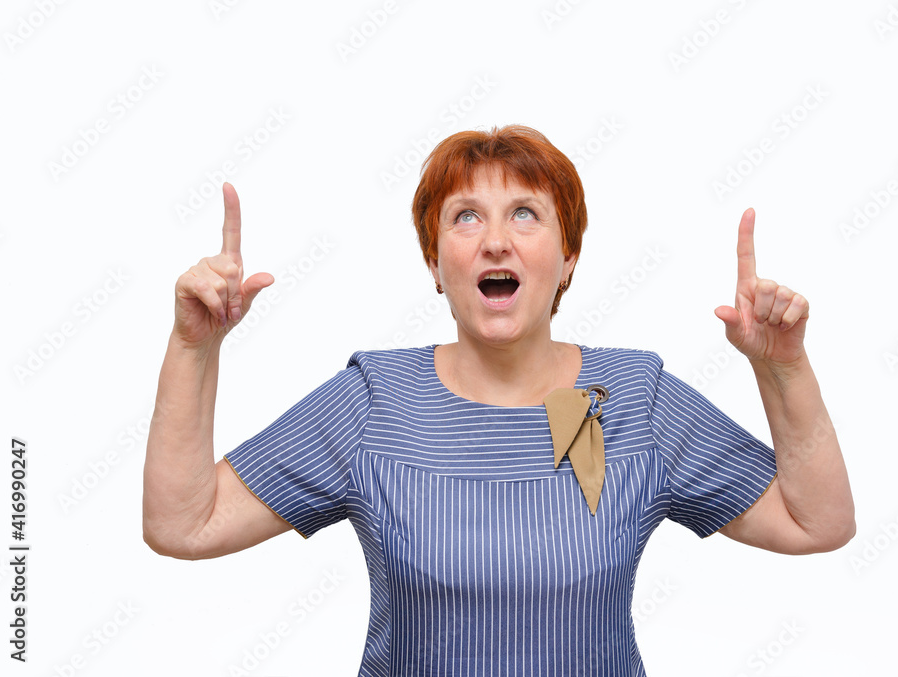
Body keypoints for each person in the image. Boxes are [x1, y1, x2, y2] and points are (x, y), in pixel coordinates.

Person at [143, 125, 855, 675]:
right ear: (433, 261)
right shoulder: (371, 402)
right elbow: (184, 523)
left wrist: (784, 370)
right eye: (464, 217)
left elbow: (817, 521)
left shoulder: (635, 399)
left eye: (524, 214)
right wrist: (193, 346)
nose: (494, 242)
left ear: (568, 255)